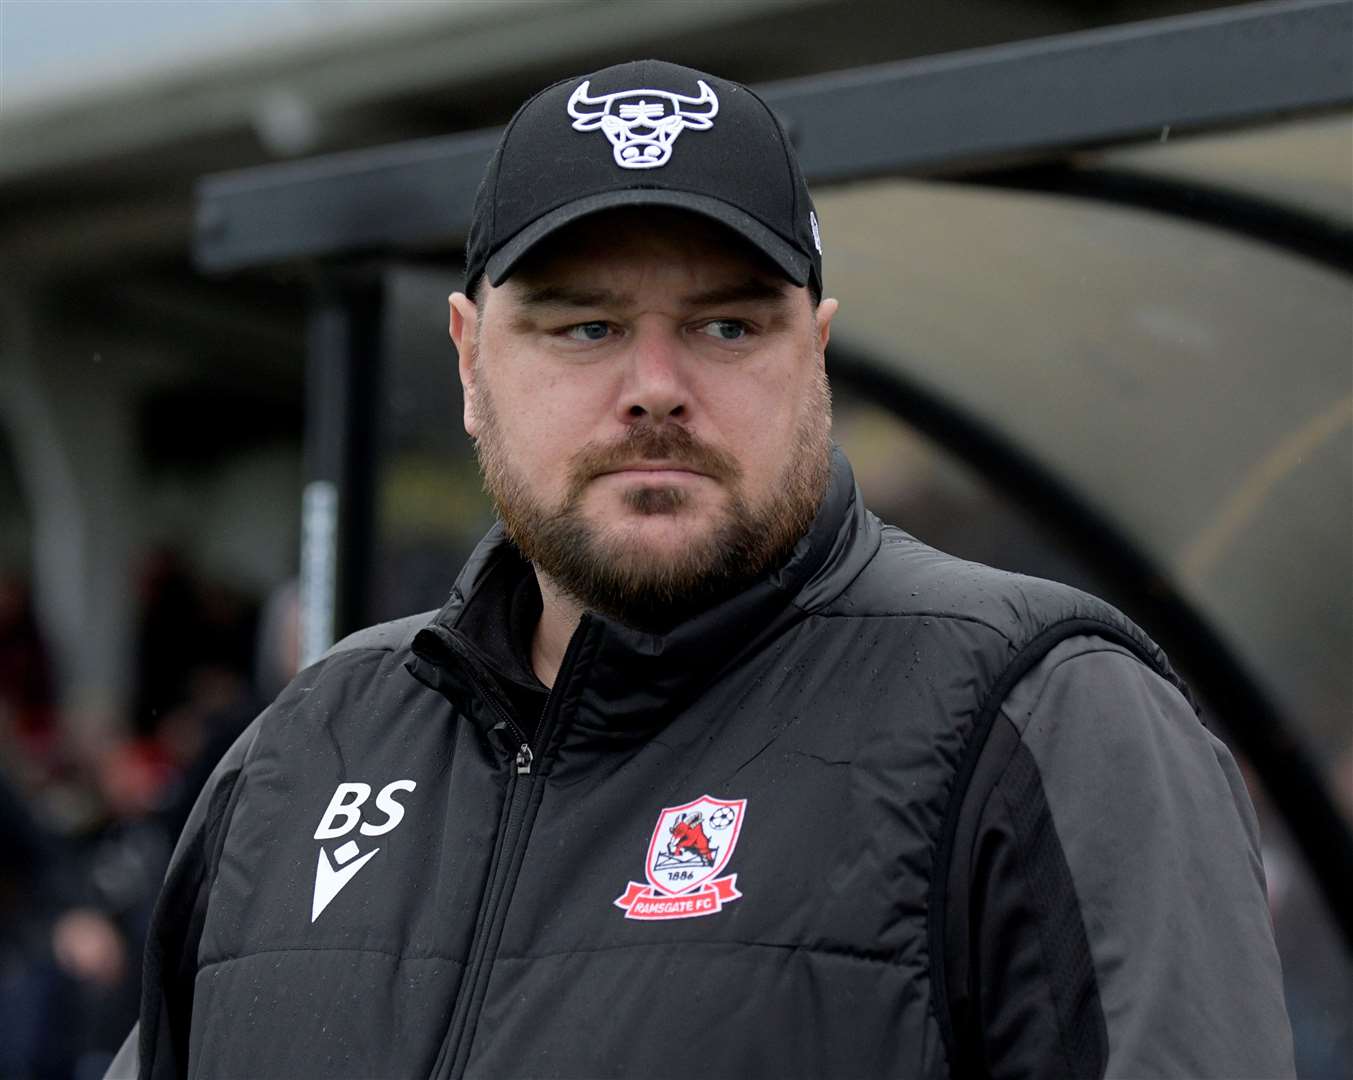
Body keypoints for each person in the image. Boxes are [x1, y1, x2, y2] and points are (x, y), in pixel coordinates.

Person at [110, 60, 1293, 1079]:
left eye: (729, 327)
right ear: (471, 360)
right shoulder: (307, 748)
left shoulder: (1042, 717)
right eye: (586, 328)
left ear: (815, 354)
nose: (657, 385)